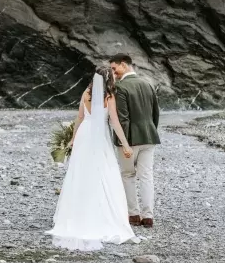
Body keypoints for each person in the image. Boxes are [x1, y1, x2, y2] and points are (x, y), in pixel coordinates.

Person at [45, 66, 137, 251]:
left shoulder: (86, 92)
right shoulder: (109, 96)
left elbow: (79, 117)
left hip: (84, 135)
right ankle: (102, 215)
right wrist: (125, 144)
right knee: (105, 173)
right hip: (99, 137)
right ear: (108, 79)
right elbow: (115, 122)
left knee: (80, 174)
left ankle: (76, 214)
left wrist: (72, 139)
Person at [109, 53, 160, 228]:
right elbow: (155, 113)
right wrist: (151, 131)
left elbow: (123, 118)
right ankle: (148, 216)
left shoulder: (120, 87)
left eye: (114, 69)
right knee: (146, 176)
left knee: (128, 175)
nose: (113, 73)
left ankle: (133, 215)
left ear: (124, 65)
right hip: (150, 136)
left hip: (130, 139)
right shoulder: (148, 84)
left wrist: (123, 143)